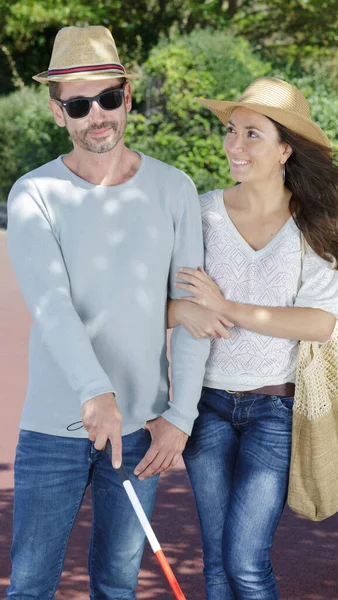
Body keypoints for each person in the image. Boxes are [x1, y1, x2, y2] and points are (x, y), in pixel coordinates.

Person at [6, 25, 209, 599]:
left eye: (108, 97)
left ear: (127, 92)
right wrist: (95, 392)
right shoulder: (34, 194)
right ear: (57, 113)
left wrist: (182, 415)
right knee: (30, 586)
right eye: (78, 103)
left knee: (118, 586)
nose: (97, 115)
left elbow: (194, 314)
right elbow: (51, 304)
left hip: (143, 428)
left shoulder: (175, 190)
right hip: (54, 426)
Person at [168, 77, 338, 599]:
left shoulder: (315, 222)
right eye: (232, 131)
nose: (234, 146)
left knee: (246, 561)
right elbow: (162, 301)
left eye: (252, 134)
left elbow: (319, 322)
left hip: (275, 411)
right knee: (215, 563)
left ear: (286, 148)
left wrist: (226, 308)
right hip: (204, 407)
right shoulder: (202, 211)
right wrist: (179, 310)